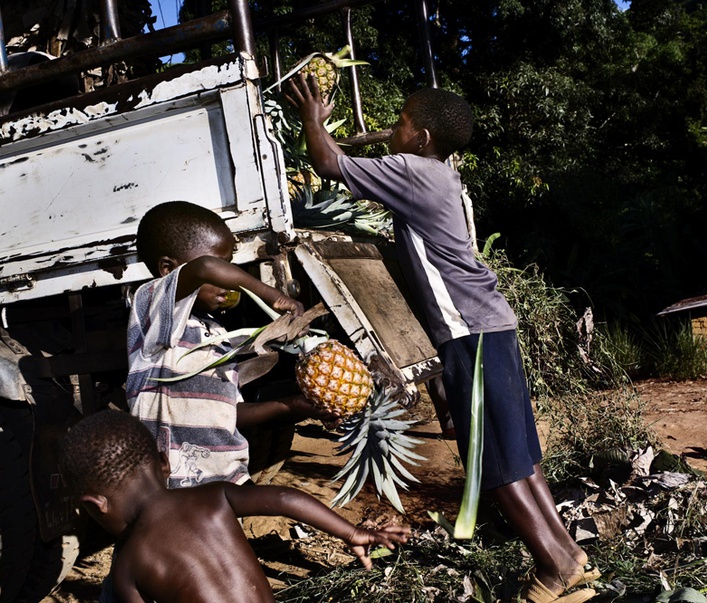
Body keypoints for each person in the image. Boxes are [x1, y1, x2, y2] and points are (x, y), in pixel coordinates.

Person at [287, 77, 599, 603]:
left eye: (403, 122)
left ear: (423, 136)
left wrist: (314, 119)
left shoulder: (415, 172)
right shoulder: (440, 174)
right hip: (491, 326)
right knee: (519, 455)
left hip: (468, 333)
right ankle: (568, 555)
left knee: (493, 465)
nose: (393, 128)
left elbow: (330, 165)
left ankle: (554, 568)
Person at [59, 410, 410, 603]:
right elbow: (285, 499)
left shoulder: (127, 567)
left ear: (95, 505)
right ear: (165, 463)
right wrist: (353, 532)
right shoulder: (213, 498)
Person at [127, 200, 334, 489]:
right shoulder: (154, 309)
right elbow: (204, 267)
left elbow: (230, 412)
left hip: (224, 478)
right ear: (167, 269)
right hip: (175, 485)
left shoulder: (216, 335)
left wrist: (293, 406)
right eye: (224, 268)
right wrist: (270, 294)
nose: (229, 281)